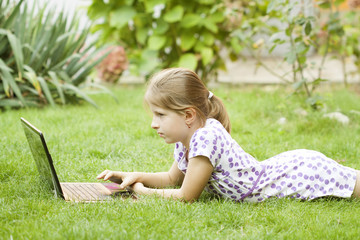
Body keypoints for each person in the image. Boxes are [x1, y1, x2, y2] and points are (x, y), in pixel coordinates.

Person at [97, 68, 360, 203]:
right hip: (283, 169)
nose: (154, 124)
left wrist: (142, 192)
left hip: (295, 176)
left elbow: (186, 196)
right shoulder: (186, 139)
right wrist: (133, 176)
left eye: (161, 115)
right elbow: (171, 179)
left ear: (188, 115)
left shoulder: (204, 139)